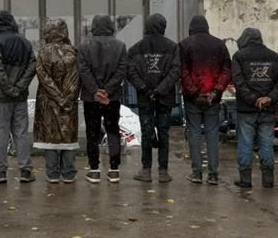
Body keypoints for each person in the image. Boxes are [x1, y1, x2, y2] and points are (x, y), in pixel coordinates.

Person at [127, 13, 180, 184]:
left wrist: (145, 89)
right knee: (163, 133)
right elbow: (175, 72)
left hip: (145, 98)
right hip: (165, 98)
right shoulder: (172, 48)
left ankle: (146, 170)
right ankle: (163, 171)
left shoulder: (136, 49)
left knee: (146, 132)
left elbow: (131, 72)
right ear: (163, 26)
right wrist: (160, 90)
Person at [179, 15, 231, 186]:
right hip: (212, 100)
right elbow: (226, 72)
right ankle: (213, 174)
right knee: (212, 134)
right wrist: (215, 92)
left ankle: (196, 173)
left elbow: (183, 73)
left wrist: (195, 93)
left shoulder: (184, 45)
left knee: (194, 133)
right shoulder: (219, 45)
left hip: (192, 99)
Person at [231, 27, 278, 189]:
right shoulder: (276, 57)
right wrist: (269, 99)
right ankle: (268, 180)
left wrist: (253, 100)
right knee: (267, 143)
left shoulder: (239, 57)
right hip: (267, 108)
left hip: (246, 109)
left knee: (245, 143)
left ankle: (245, 179)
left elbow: (238, 82)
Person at [78, 14, 129, 184]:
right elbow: (121, 70)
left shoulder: (84, 46)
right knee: (112, 130)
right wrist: (107, 90)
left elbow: (83, 70)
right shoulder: (120, 46)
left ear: (93, 27)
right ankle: (114, 170)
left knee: (92, 132)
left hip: (91, 98)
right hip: (112, 98)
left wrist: (95, 91)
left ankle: (94, 170)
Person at [0, 11, 37, 184]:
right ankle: (25, 171)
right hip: (20, 97)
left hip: (0, 97)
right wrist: (19, 87)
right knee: (21, 133)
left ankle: (0, 172)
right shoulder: (25, 42)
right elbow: (32, 66)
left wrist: (8, 89)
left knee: (1, 134)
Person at [34, 20, 80, 184]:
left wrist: (57, 97)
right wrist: (66, 98)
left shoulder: (43, 52)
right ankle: (68, 173)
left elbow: (43, 78)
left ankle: (52, 173)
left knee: (50, 137)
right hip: (69, 102)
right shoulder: (73, 52)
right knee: (68, 137)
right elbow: (77, 80)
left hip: (48, 101)